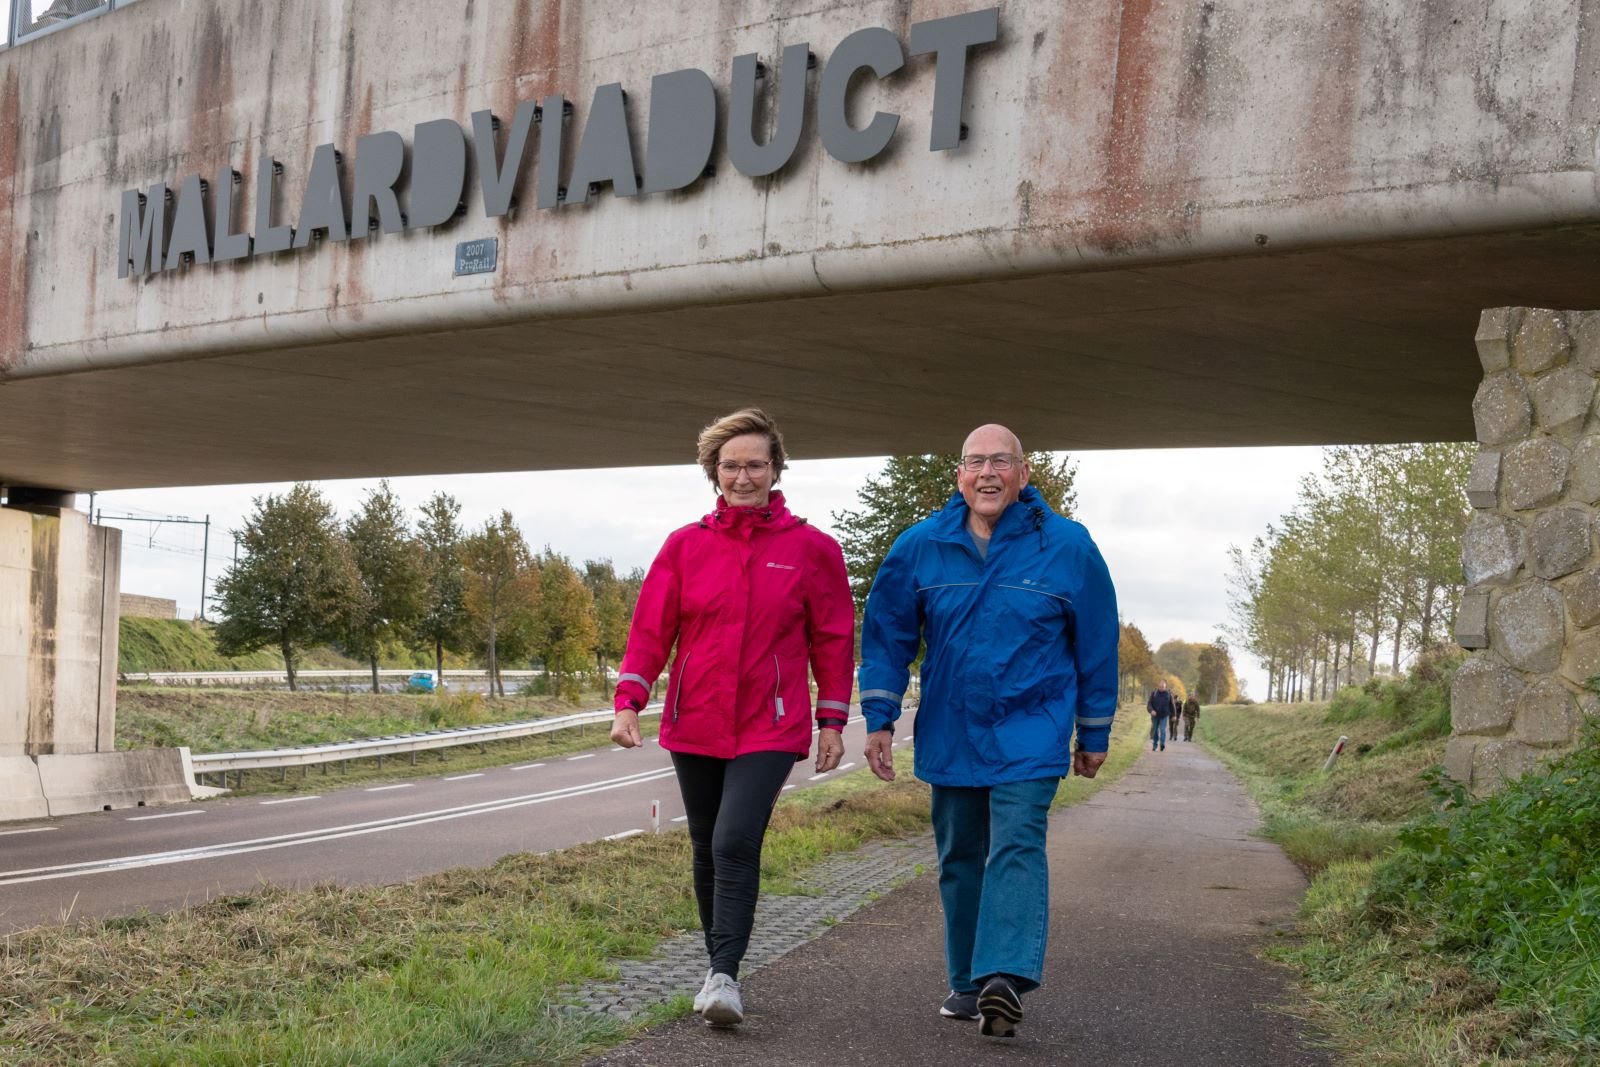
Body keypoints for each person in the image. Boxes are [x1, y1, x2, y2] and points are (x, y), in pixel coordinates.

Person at [858, 424, 1119, 1039]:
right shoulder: (921, 545)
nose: (987, 473)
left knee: (1016, 842)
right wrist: (879, 718)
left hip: (1033, 726)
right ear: (960, 476)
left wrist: (1094, 731)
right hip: (951, 727)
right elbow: (888, 635)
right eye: (975, 462)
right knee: (959, 854)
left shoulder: (1068, 546)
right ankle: (969, 981)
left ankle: (1004, 976)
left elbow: (1097, 643)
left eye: (1001, 461)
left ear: (1023, 474)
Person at [610, 408, 855, 1027]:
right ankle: (716, 967)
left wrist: (831, 720)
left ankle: (725, 976)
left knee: (734, 840)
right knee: (705, 845)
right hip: (695, 717)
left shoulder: (813, 550)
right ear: (713, 472)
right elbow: (651, 630)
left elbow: (832, 640)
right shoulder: (685, 546)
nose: (743, 477)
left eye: (755, 465)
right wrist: (629, 702)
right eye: (730, 466)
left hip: (770, 723)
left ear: (776, 469)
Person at [1148, 681, 1173, 751]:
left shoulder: (1168, 694)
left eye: (1163, 687)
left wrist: (1174, 715)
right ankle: (1155, 745)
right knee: (1155, 730)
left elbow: (1172, 705)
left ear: (1165, 687)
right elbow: (1149, 704)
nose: (1161, 688)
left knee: (1162, 730)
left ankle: (1162, 744)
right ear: (1158, 687)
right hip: (1155, 716)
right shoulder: (1154, 694)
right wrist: (1151, 710)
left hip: (1164, 716)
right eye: (1160, 687)